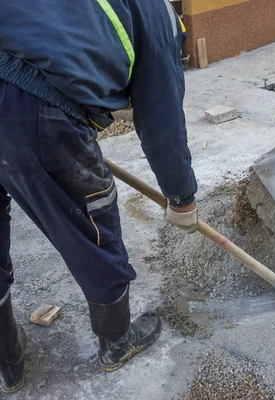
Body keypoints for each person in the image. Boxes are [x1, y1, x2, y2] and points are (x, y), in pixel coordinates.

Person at [0, 0, 199, 392]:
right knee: (94, 219)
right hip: (37, 109)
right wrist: (182, 197)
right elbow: (161, 117)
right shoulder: (155, 13)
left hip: (19, 89)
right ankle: (118, 342)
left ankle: (7, 363)